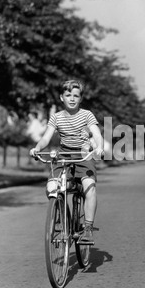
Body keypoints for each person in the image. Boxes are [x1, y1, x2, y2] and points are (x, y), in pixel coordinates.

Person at [30, 80, 104, 244]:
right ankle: (64, 218)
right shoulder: (56, 117)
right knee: (51, 188)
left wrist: (98, 146)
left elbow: (96, 134)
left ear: (80, 98)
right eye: (68, 95)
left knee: (89, 187)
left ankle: (88, 229)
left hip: (83, 154)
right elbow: (46, 138)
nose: (72, 99)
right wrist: (37, 148)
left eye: (76, 95)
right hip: (64, 155)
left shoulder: (87, 115)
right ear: (61, 97)